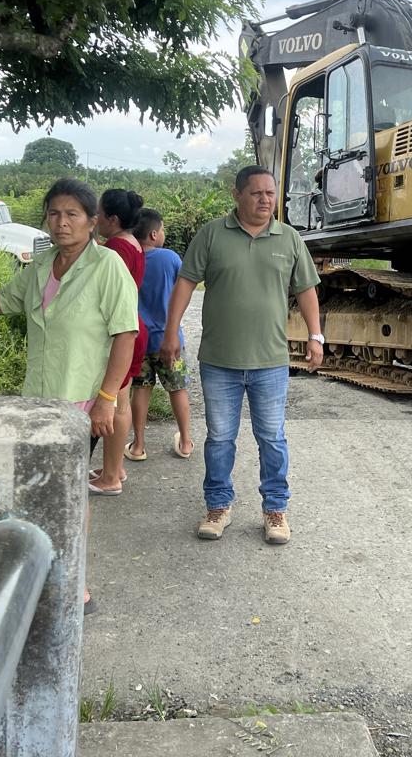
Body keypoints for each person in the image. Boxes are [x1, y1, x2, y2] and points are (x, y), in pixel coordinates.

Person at [0, 177, 139, 612]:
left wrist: (107, 398)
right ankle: (43, 573)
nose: (62, 223)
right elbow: (2, 301)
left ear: (92, 221)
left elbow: (125, 335)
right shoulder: (42, 265)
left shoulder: (107, 266)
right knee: (39, 493)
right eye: (54, 214)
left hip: (80, 402)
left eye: (72, 214)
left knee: (67, 493)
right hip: (37, 402)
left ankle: (73, 584)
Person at [161, 166, 324, 545]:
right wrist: (171, 332)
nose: (265, 200)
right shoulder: (211, 234)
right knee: (220, 438)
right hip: (220, 361)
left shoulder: (289, 238)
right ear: (236, 194)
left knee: (272, 438)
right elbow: (185, 283)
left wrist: (316, 336)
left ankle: (275, 509)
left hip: (271, 362)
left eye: (270, 193)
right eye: (256, 193)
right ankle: (218, 505)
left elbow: (306, 290)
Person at [87, 188, 148, 495]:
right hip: (132, 325)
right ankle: (115, 467)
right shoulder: (131, 242)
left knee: (116, 403)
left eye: (98, 213)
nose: (94, 218)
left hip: (120, 330)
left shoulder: (115, 248)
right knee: (120, 401)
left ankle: (111, 476)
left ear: (112, 219)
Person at [127, 208, 192, 461]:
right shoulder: (170, 258)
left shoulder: (128, 259)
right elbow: (183, 289)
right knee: (177, 389)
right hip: (170, 340)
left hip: (137, 341)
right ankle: (185, 442)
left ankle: (138, 445)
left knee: (140, 390)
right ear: (154, 234)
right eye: (162, 229)